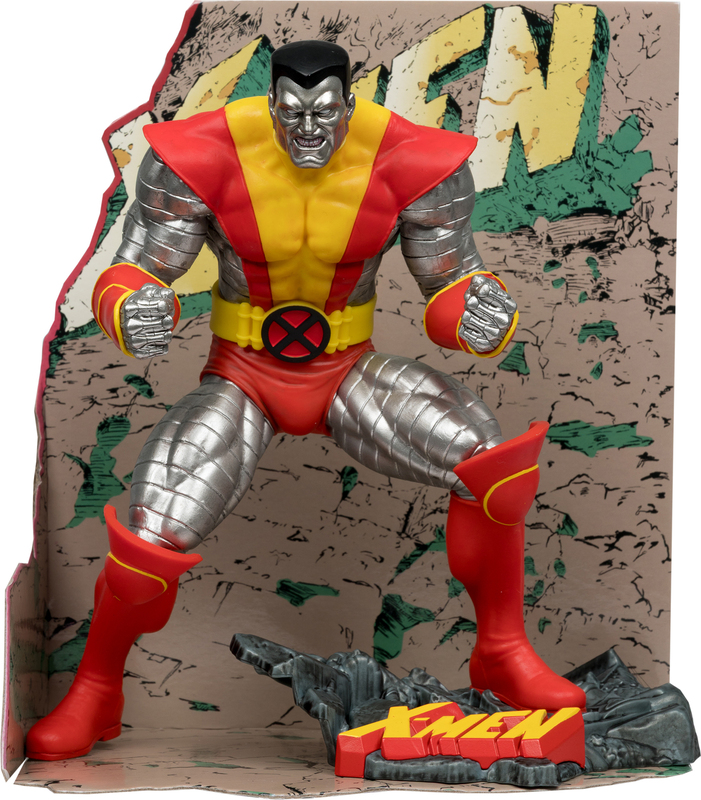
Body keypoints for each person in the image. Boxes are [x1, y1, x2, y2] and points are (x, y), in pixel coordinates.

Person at [27, 40, 585, 762]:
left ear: (350, 103)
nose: (309, 130)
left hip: (347, 369)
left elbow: (452, 281)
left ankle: (502, 652)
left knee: (491, 464)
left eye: (324, 112)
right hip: (243, 372)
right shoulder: (205, 153)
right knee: (152, 531)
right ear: (271, 104)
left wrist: (478, 312)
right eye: (291, 113)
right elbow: (133, 269)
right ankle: (97, 689)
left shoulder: (408, 159)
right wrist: (128, 307)